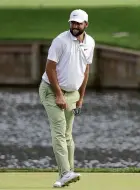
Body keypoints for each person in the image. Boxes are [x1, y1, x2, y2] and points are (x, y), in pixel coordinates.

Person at [39, 9, 95, 188]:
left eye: (78, 23)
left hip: (72, 94)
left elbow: (85, 71)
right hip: (51, 90)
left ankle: (67, 173)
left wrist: (80, 98)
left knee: (68, 134)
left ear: (86, 24)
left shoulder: (90, 42)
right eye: (72, 23)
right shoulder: (60, 41)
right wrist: (58, 95)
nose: (75, 26)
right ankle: (65, 173)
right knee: (59, 130)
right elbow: (50, 68)